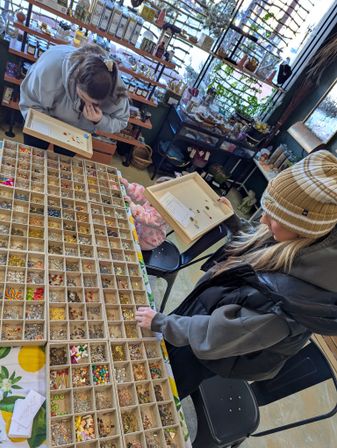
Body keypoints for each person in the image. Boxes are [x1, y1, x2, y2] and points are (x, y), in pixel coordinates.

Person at [135, 150, 337, 399]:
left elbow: (215, 335)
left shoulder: (285, 307)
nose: (263, 219)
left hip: (206, 351)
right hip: (201, 319)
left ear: (300, 230)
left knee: (164, 384)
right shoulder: (302, 242)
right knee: (162, 355)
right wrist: (232, 222)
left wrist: (163, 323)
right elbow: (261, 242)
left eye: (274, 218)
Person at [20, 43, 130, 156]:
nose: (87, 105)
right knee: (32, 155)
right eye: (83, 97)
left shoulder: (117, 92)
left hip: (76, 131)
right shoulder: (49, 67)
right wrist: (49, 128)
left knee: (63, 165)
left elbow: (121, 121)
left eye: (94, 103)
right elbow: (29, 101)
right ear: (76, 79)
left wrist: (100, 120)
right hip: (42, 117)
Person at [121, 177, 170, 250]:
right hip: (138, 226)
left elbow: (147, 219)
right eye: (152, 189)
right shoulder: (153, 195)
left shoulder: (164, 213)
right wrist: (128, 186)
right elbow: (142, 192)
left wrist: (131, 204)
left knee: (129, 246)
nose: (151, 194)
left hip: (147, 241)